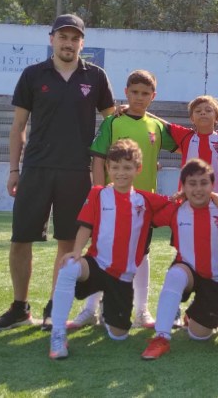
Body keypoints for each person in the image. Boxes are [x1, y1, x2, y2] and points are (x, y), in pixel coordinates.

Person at [0, 14, 115, 332]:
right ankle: (20, 308)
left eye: (74, 38)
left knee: (68, 244)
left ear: (82, 43)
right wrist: (14, 169)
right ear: (52, 39)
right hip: (36, 169)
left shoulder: (96, 77)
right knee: (20, 240)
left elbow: (113, 122)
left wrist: (110, 168)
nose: (68, 43)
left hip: (77, 172)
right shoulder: (33, 74)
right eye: (63, 37)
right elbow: (18, 126)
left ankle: (55, 307)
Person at [70, 69, 177, 330]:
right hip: (111, 203)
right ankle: (89, 309)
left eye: (145, 94)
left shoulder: (156, 126)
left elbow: (184, 142)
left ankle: (141, 311)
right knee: (100, 254)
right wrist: (99, 192)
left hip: (142, 205)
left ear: (153, 96)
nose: (139, 98)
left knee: (141, 254)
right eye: (134, 92)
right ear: (126, 92)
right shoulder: (113, 122)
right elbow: (98, 159)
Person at [48, 139, 171, 359]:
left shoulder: (145, 200)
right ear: (107, 168)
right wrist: (77, 251)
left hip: (122, 277)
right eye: (115, 167)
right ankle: (57, 334)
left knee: (118, 335)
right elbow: (85, 226)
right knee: (69, 266)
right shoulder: (97, 194)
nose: (120, 173)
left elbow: (177, 203)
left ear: (138, 169)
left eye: (127, 167)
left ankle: (108, 311)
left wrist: (210, 196)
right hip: (96, 265)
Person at [141, 159, 218, 360]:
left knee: (199, 336)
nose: (198, 189)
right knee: (175, 274)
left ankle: (192, 314)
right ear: (183, 186)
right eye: (192, 184)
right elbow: (147, 207)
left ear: (212, 185)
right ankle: (161, 337)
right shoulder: (176, 209)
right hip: (187, 270)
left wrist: (217, 197)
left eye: (204, 183)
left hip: (215, 280)